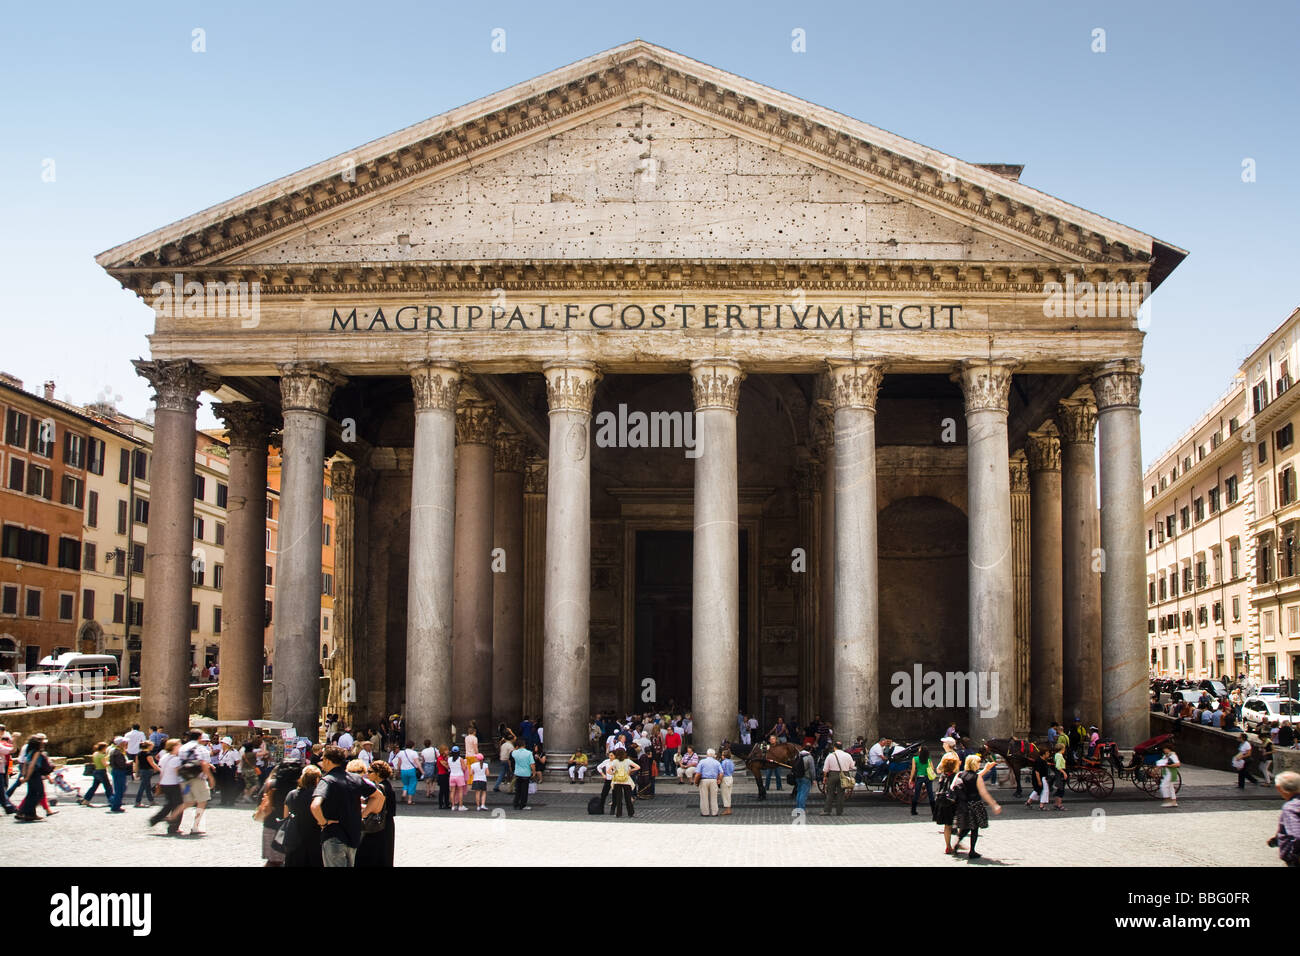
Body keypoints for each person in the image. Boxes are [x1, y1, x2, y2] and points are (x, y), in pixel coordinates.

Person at [311, 744, 384, 867]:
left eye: (323, 759)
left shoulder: (327, 780)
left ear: (328, 761)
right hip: (353, 835)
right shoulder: (355, 778)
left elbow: (315, 806)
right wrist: (364, 814)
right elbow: (379, 796)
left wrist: (323, 822)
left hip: (334, 835)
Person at [952, 754, 1002, 860]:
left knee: (966, 827)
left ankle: (956, 845)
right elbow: (983, 793)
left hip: (963, 805)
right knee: (974, 828)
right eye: (978, 762)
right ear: (975, 764)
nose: (979, 764)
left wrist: (986, 769)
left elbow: (955, 786)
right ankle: (972, 851)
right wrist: (994, 804)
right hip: (975, 804)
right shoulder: (977, 777)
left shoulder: (960, 774)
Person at [260, 754, 304, 867]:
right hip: (295, 826)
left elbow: (261, 800)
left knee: (273, 861)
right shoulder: (300, 786)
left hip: (272, 824)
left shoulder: (271, 784)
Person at [171, 732, 216, 835]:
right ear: (200, 738)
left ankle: (173, 816)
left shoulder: (182, 748)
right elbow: (204, 764)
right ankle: (195, 826)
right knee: (202, 801)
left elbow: (178, 762)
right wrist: (210, 778)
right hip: (198, 780)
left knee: (188, 801)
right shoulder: (201, 749)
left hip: (185, 779)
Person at [356, 760, 397, 867]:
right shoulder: (387, 785)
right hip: (387, 824)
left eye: (370, 771)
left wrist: (362, 809)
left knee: (370, 855)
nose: (367, 774)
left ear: (378, 773)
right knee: (384, 854)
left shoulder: (380, 788)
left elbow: (376, 808)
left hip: (378, 824)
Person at [283, 764, 323, 868]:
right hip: (314, 838)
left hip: (294, 839)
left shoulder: (291, 794)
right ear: (317, 779)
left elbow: (285, 816)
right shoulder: (318, 796)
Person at [149, 739, 184, 833]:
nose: (180, 746)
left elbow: (162, 771)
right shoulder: (176, 759)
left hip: (165, 783)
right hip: (174, 784)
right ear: (174, 747)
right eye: (178, 745)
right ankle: (173, 827)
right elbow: (178, 774)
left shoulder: (164, 757)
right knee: (178, 805)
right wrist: (183, 785)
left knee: (169, 804)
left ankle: (156, 819)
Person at [14, 735, 52, 822]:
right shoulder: (37, 752)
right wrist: (26, 777)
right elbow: (31, 765)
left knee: (32, 794)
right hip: (34, 774)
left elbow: (25, 763)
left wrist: (24, 775)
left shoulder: (30, 751)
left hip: (31, 774)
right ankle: (24, 811)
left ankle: (30, 814)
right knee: (39, 793)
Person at [1267, 771, 1300, 867]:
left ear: (1279, 788)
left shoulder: (1291, 807)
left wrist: (1294, 855)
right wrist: (1276, 840)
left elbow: (1297, 835)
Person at [933, 753, 961, 853]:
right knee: (959, 824)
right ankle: (958, 843)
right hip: (954, 803)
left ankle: (948, 846)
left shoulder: (942, 776)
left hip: (944, 803)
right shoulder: (956, 777)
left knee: (947, 826)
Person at [822, 740, 855, 817]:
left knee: (830, 793)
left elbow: (825, 769)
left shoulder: (830, 756)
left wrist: (824, 777)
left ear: (834, 747)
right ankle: (839, 811)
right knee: (841, 793)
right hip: (844, 774)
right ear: (842, 747)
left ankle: (827, 811)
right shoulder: (848, 755)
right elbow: (852, 766)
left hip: (833, 774)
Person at [80, 742, 113, 807]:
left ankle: (86, 799)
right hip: (102, 772)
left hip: (96, 771)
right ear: (103, 748)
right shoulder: (101, 755)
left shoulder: (95, 754)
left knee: (94, 787)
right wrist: (110, 763)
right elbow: (105, 764)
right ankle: (111, 800)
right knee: (108, 787)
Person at [907, 745, 935, 817]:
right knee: (930, 793)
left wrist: (911, 778)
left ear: (920, 751)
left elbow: (913, 770)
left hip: (920, 776)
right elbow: (932, 768)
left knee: (917, 793)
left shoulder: (915, 758)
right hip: (928, 777)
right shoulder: (928, 759)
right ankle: (934, 810)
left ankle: (913, 810)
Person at [609, 747, 637, 818]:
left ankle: (619, 813)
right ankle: (630, 813)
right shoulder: (627, 761)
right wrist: (630, 771)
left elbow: (608, 771)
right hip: (626, 781)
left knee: (618, 798)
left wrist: (614, 773)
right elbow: (638, 767)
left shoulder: (615, 761)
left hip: (617, 781)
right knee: (628, 798)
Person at [696, 748, 722, 816]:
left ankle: (705, 812)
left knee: (704, 797)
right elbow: (721, 773)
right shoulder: (717, 762)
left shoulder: (702, 761)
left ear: (707, 754)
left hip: (704, 780)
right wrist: (719, 779)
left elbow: (698, 773)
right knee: (714, 797)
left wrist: (696, 782)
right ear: (714, 755)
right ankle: (714, 812)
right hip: (713, 780)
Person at [107, 737, 130, 813]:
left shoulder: (115, 751)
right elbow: (121, 764)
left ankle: (114, 801)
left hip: (116, 771)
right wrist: (127, 764)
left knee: (120, 788)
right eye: (125, 742)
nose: (126, 744)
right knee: (120, 789)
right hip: (119, 771)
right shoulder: (118, 752)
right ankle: (115, 805)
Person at [511, 741, 535, 811]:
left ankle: (516, 803)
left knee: (518, 790)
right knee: (524, 791)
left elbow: (512, 753)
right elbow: (532, 764)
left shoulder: (514, 753)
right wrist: (534, 772)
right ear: (524, 745)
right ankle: (523, 805)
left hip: (517, 773)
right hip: (526, 773)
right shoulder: (529, 753)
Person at [1156, 742, 1181, 808]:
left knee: (1163, 786)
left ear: (1168, 749)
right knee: (1170, 787)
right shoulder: (1165, 755)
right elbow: (1161, 763)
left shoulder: (1172, 755)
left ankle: (1168, 800)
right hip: (1166, 773)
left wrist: (1168, 765)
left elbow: (1178, 764)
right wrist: (1156, 769)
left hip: (1170, 773)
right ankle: (1174, 801)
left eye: (1165, 748)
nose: (1164, 750)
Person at [792, 744, 814, 812]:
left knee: (799, 792)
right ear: (810, 750)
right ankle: (801, 809)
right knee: (804, 793)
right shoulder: (809, 757)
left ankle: (798, 807)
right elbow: (812, 769)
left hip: (798, 776)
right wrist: (814, 779)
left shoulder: (798, 755)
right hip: (806, 777)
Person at [447, 746, 468, 811]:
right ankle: (460, 806)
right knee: (460, 791)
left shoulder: (449, 759)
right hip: (459, 776)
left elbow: (449, 767)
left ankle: (453, 806)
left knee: (452, 791)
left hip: (452, 776)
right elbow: (464, 768)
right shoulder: (460, 759)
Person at [719, 747, 735, 816]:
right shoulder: (731, 762)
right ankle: (728, 809)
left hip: (725, 778)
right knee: (729, 794)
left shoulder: (724, 762)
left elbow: (722, 772)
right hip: (730, 777)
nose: (721, 756)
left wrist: (719, 779)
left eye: (722, 755)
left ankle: (727, 810)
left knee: (725, 795)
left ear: (724, 756)